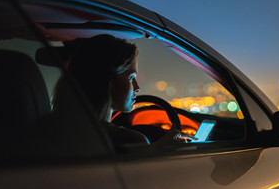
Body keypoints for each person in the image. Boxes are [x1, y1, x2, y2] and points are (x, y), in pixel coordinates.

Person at [52, 34, 191, 147]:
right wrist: (162, 149)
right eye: (131, 78)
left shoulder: (56, 130)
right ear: (108, 81)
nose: (137, 87)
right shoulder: (130, 140)